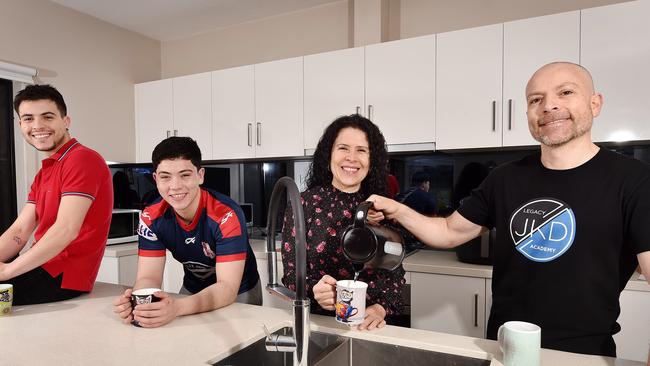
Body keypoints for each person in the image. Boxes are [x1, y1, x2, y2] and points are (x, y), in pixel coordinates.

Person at [367, 62, 650, 357]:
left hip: (585, 355)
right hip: (506, 350)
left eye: (565, 92)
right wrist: (395, 209)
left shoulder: (634, 180)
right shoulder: (504, 178)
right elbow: (449, 231)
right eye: (535, 99)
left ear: (595, 104)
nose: (549, 106)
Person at [112, 136, 261, 328]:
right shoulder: (150, 218)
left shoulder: (226, 215)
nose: (175, 186)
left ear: (200, 175)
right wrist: (138, 302)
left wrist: (177, 308)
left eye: (185, 175)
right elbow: (148, 276)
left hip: (240, 290)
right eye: (166, 177)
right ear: (156, 179)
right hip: (193, 287)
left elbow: (227, 288)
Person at [281, 114, 405, 331]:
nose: (352, 158)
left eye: (361, 150)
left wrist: (380, 308)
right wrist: (313, 291)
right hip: (319, 326)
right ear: (328, 155)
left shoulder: (383, 208)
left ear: (372, 160)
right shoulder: (303, 204)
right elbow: (292, 276)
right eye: (343, 148)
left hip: (371, 327)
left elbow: (395, 275)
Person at [0, 84, 112, 305]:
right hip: (42, 266)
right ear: (20, 124)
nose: (38, 125)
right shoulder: (46, 171)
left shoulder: (82, 159)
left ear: (66, 121)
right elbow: (20, 229)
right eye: (28, 118)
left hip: (63, 275)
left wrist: (7, 272)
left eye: (47, 117)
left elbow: (66, 230)